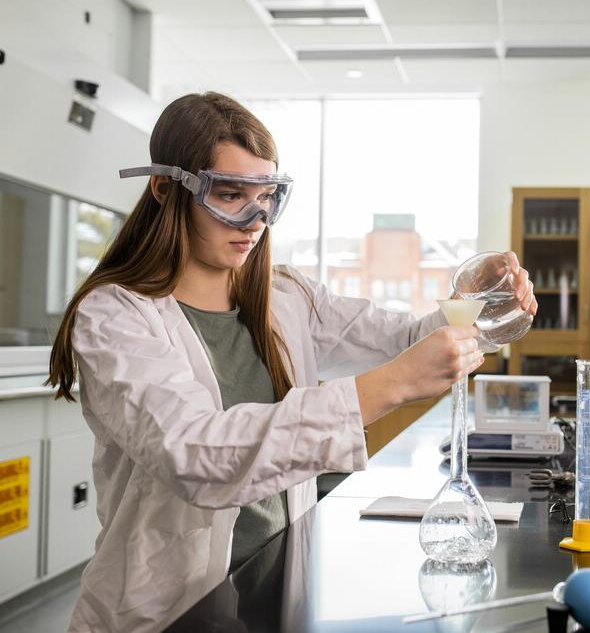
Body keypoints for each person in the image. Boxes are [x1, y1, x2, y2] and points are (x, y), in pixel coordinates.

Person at [47, 92, 537, 633]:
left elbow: (404, 338)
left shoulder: (285, 295)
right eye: (230, 195)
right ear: (166, 188)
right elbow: (193, 453)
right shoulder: (115, 316)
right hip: (165, 613)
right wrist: (386, 387)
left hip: (275, 594)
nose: (256, 220)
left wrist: (479, 305)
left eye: (268, 197)